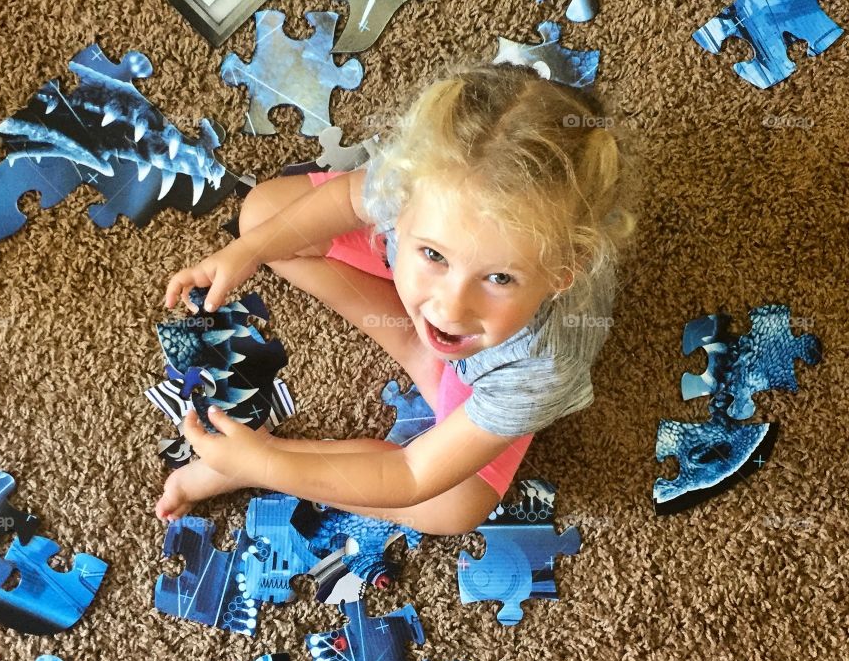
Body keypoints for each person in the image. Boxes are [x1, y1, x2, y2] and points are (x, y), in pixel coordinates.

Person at [155, 64, 635, 534]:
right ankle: (422, 350)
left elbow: (410, 475)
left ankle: (250, 464)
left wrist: (265, 465)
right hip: (418, 283)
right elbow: (347, 200)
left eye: (500, 278)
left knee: (452, 508)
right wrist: (247, 251)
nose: (451, 307)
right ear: (402, 204)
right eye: (434, 255)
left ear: (559, 278)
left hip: (494, 375)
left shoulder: (542, 366)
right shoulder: (420, 180)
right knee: (260, 216)